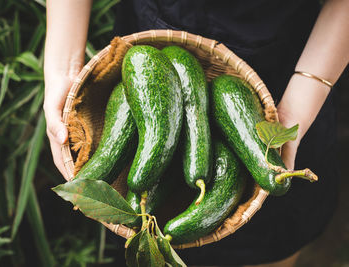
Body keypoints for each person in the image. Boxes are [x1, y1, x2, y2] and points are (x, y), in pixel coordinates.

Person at [43, 0, 349, 266]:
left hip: (293, 73)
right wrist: (63, 69)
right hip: (154, 31)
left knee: (275, 241)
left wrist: (296, 110)